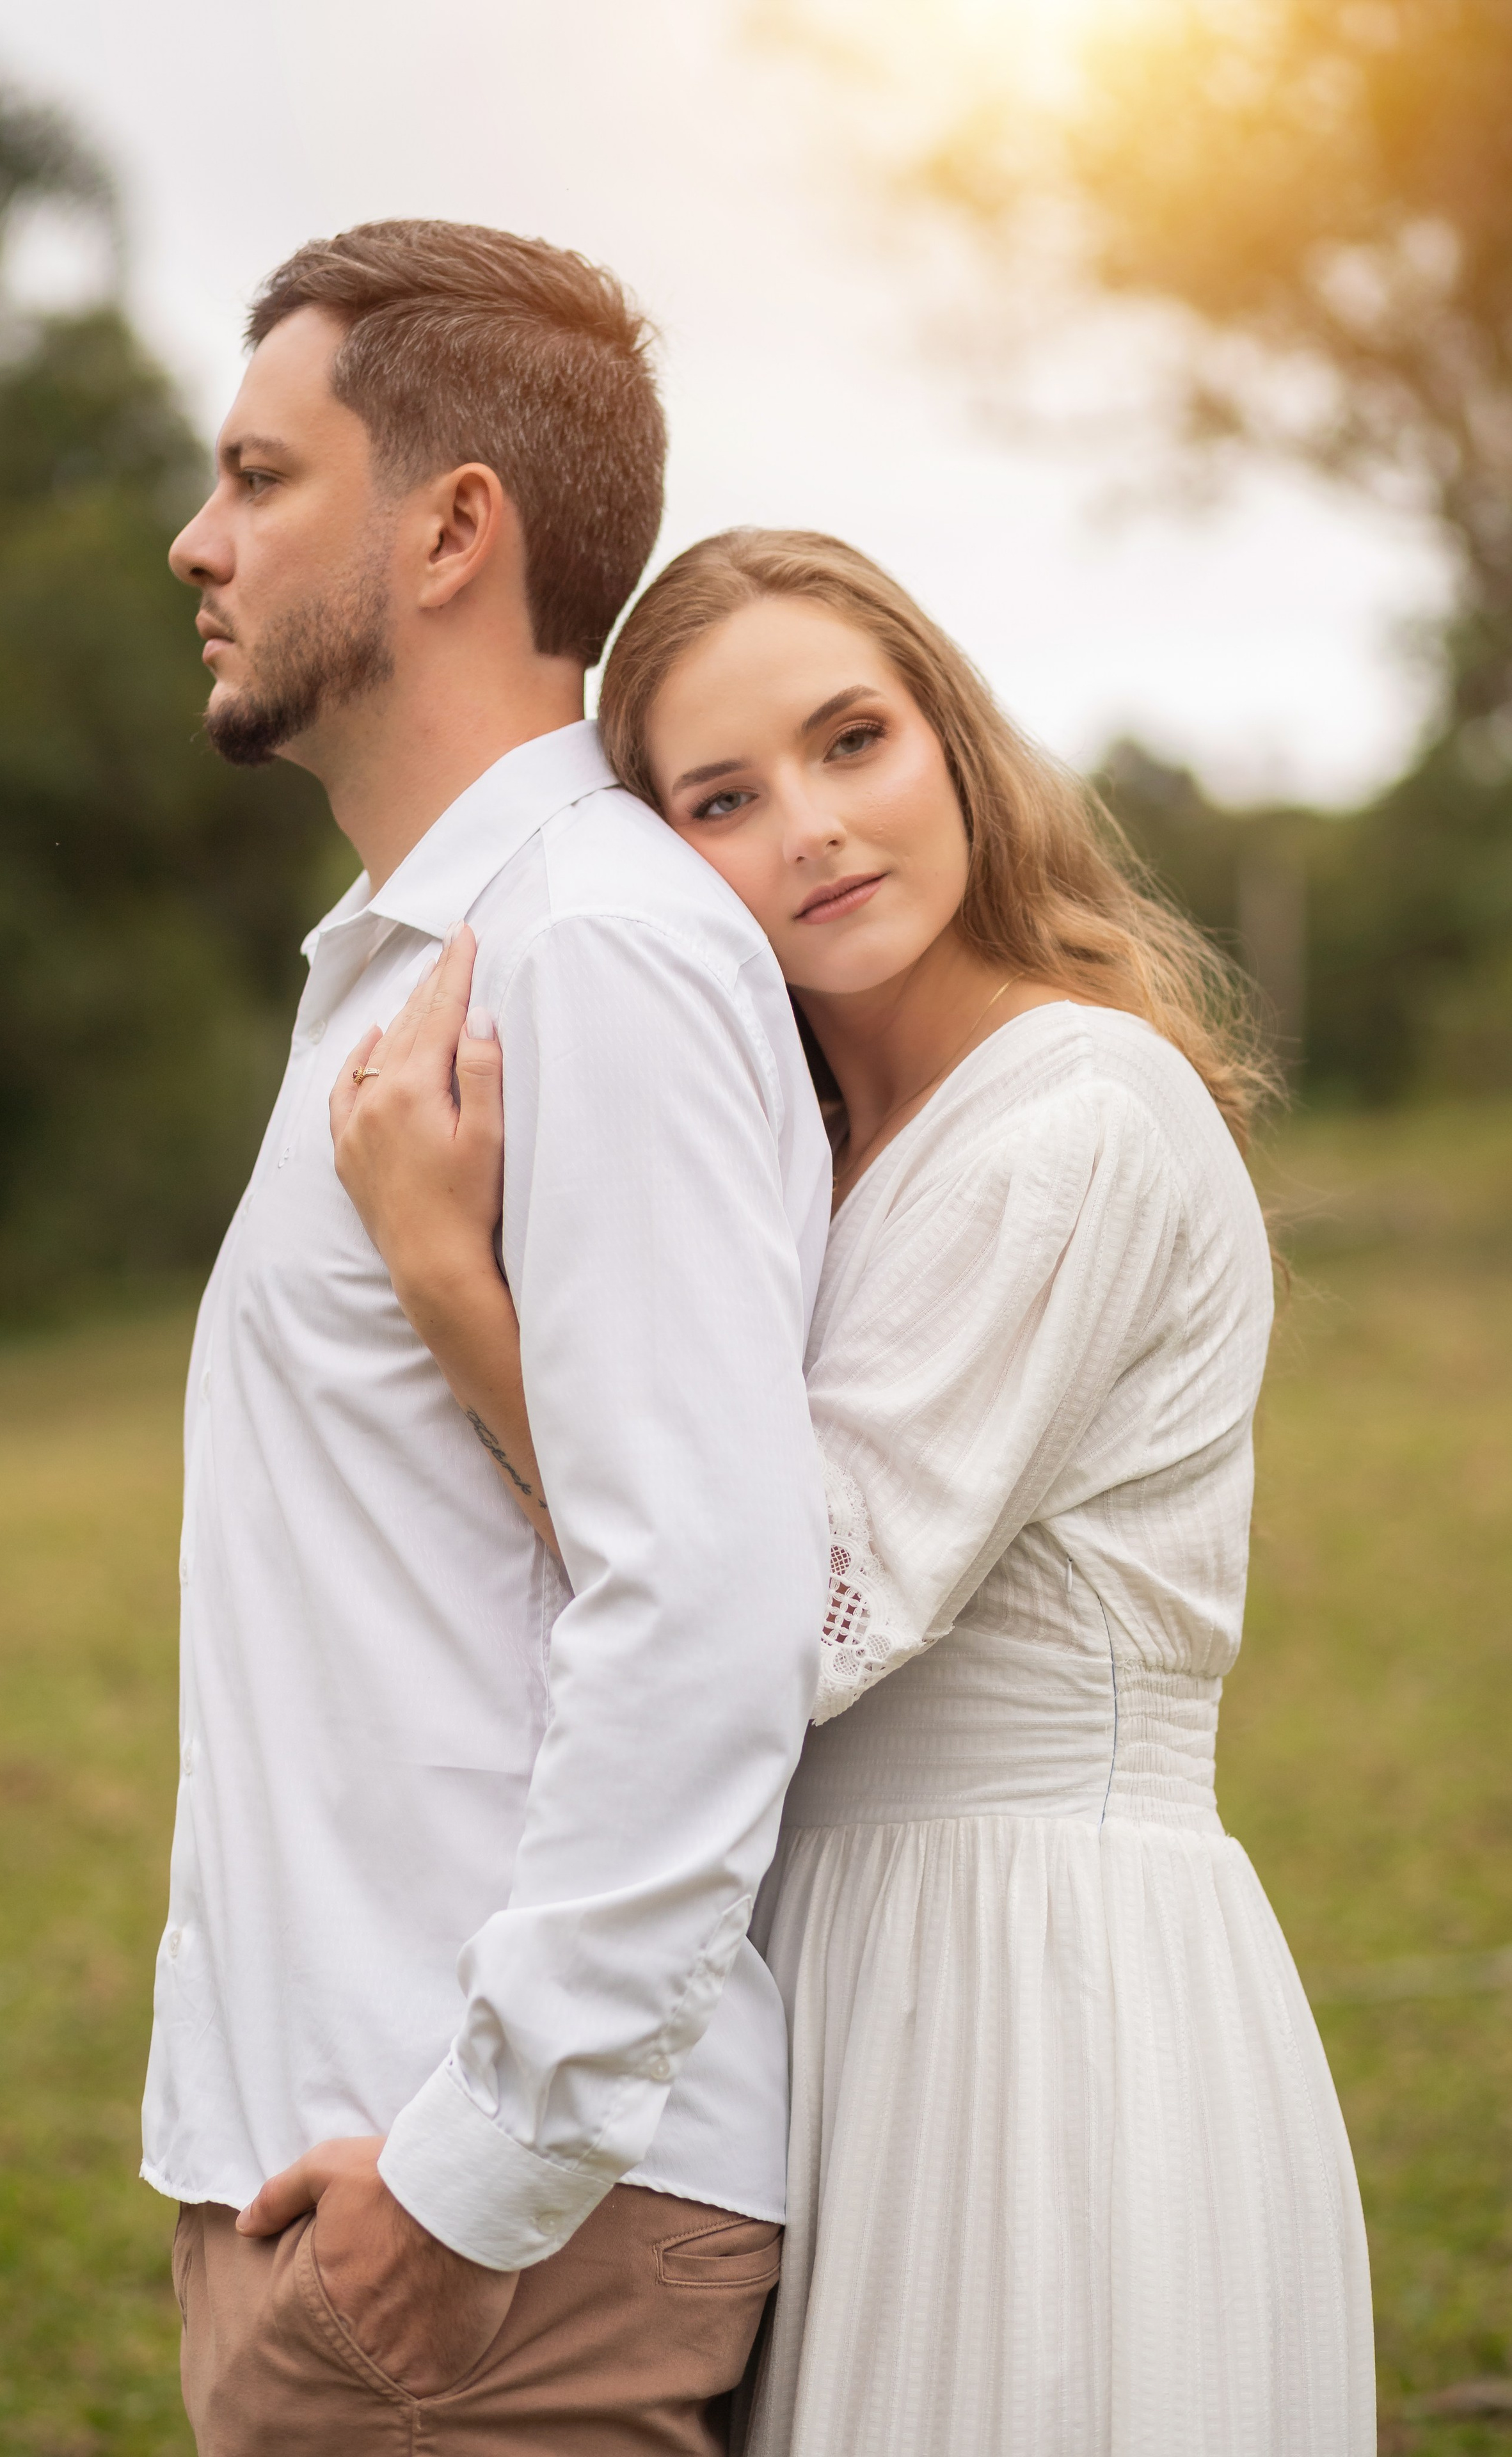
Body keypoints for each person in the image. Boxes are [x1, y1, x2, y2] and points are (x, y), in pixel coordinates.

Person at [335, 530, 1379, 2456]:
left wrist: (451, 1285)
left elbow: (796, 1608)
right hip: (831, 1960)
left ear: (954, 745)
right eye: (725, 799)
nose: (811, 828)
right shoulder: (810, 1152)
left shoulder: (1073, 1114)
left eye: (852, 741)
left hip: (1038, 1976)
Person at [147, 229, 836, 2457]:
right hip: (345, 2184)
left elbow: (712, 1605)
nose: (198, 538)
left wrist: (471, 2183)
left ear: (454, 529)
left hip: (499, 2245)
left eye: (260, 475)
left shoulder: (596, 953)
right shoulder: (400, 964)